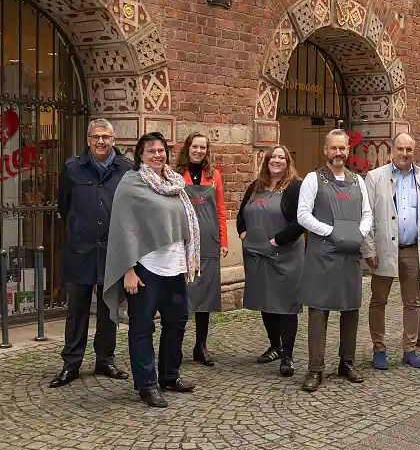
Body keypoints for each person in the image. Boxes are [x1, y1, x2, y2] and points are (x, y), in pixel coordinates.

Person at [102, 132, 201, 408]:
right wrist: (128, 271)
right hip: (145, 269)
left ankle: (170, 375)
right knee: (142, 327)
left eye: (161, 150)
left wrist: (186, 261)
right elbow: (122, 229)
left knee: (177, 322)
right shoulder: (131, 183)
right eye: (150, 151)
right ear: (140, 155)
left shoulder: (174, 183)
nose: (157, 155)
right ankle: (147, 384)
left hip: (175, 267)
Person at [51, 119, 131, 388]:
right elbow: (65, 207)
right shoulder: (73, 168)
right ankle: (71, 363)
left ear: (113, 140)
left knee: (109, 309)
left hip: (112, 251)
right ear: (88, 140)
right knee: (77, 310)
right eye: (96, 137)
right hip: (80, 251)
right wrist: (79, 230)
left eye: (106, 137)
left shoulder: (126, 169)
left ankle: (105, 359)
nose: (100, 142)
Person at [297, 129, 373, 392]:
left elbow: (368, 214)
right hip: (322, 254)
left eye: (342, 148)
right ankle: (315, 368)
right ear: (325, 150)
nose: (338, 153)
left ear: (348, 150)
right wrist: (333, 232)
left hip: (349, 253)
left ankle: (347, 362)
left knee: (350, 308)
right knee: (318, 311)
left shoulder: (358, 181)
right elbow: (303, 215)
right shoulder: (312, 179)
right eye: (334, 148)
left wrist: (357, 234)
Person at [362, 132, 420, 370]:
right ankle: (379, 349)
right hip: (384, 249)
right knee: (378, 301)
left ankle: (410, 349)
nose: (405, 154)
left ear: (414, 151)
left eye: (409, 150)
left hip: (413, 249)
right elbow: (367, 215)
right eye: (401, 149)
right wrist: (369, 247)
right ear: (392, 150)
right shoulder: (374, 177)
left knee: (413, 302)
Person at [237, 145, 305, 376]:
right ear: (266, 161)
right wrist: (243, 234)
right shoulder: (255, 186)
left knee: (286, 305)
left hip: (285, 255)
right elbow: (240, 215)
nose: (276, 161)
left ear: (287, 162)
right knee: (266, 301)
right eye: (272, 157)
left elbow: (300, 221)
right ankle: (274, 346)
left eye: (281, 157)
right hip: (257, 255)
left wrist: (277, 241)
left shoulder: (296, 186)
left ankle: (288, 356)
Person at [178, 133, 228, 366]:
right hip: (184, 240)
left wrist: (224, 240)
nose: (199, 151)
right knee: (182, 294)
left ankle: (201, 345)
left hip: (208, 240)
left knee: (205, 294)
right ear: (188, 148)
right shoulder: (176, 175)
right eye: (195, 146)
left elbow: (220, 208)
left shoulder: (214, 175)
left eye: (203, 147)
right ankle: (175, 345)